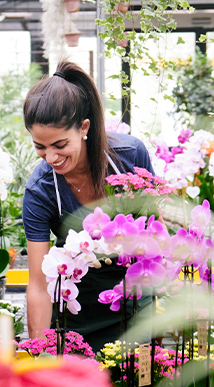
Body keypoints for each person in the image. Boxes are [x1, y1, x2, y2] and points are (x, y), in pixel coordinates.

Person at [22, 59, 155, 351]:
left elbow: (154, 237)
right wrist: (38, 354)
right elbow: (38, 285)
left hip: (132, 304)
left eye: (59, 145)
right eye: (39, 146)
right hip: (75, 317)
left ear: (84, 128)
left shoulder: (130, 158)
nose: (50, 157)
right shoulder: (41, 189)